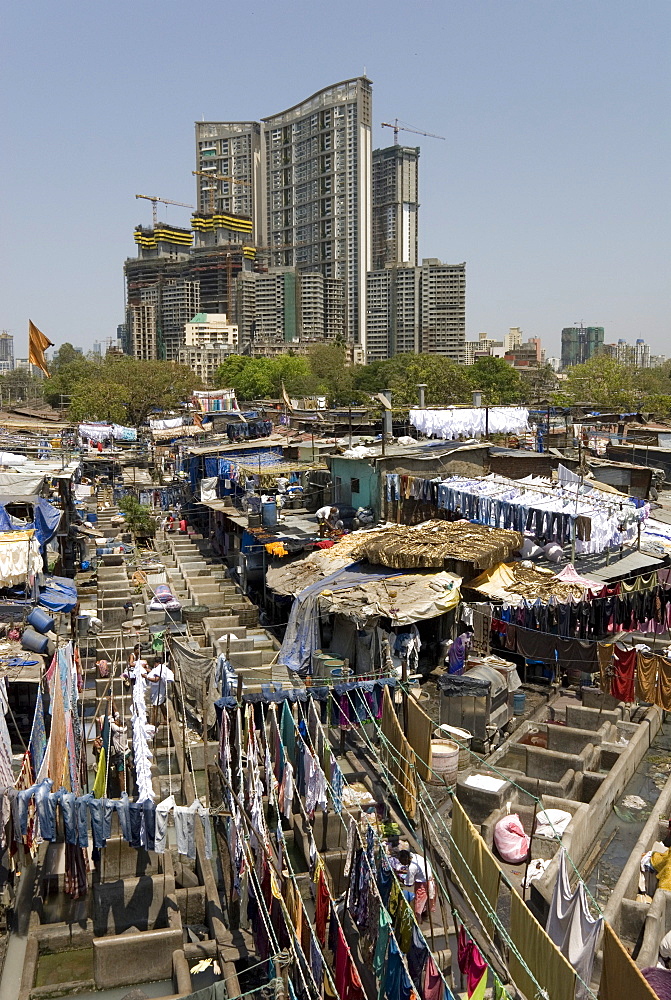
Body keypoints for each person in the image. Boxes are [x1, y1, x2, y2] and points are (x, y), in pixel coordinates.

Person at [390, 849, 435, 918]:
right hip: (430, 880)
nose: (402, 864)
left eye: (402, 862)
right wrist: (401, 872)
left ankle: (418, 923)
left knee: (417, 910)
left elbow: (408, 884)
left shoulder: (412, 868)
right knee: (426, 902)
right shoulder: (416, 857)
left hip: (422, 886)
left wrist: (399, 878)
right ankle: (426, 914)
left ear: (405, 859)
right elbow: (417, 871)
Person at [147, 658, 175, 727]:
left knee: (155, 707)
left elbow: (156, 679)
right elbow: (155, 672)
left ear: (157, 663)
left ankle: (153, 723)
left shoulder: (159, 669)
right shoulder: (162, 668)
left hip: (158, 690)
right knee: (161, 704)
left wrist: (146, 677)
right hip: (159, 689)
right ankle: (166, 719)